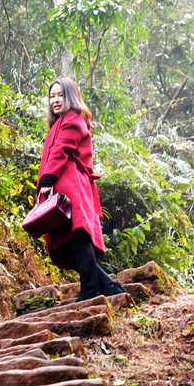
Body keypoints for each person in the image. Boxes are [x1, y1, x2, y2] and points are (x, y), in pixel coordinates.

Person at [36, 76, 127, 301]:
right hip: (63, 186)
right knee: (66, 245)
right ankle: (110, 288)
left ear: (71, 97)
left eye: (60, 95)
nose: (55, 100)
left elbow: (60, 151)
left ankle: (90, 292)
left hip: (72, 187)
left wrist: (47, 180)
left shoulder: (73, 120)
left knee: (77, 237)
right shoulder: (59, 123)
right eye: (51, 96)